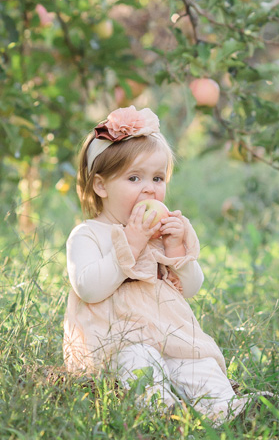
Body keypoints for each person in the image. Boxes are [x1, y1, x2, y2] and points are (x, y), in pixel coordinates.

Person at [63, 106, 244, 419]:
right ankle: (164, 418)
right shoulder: (88, 234)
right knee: (140, 363)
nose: (150, 188)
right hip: (116, 341)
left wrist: (176, 250)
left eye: (157, 178)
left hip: (169, 331)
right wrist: (130, 246)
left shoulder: (161, 232)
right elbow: (89, 289)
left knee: (197, 361)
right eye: (134, 178)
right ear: (101, 186)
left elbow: (190, 288)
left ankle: (224, 410)